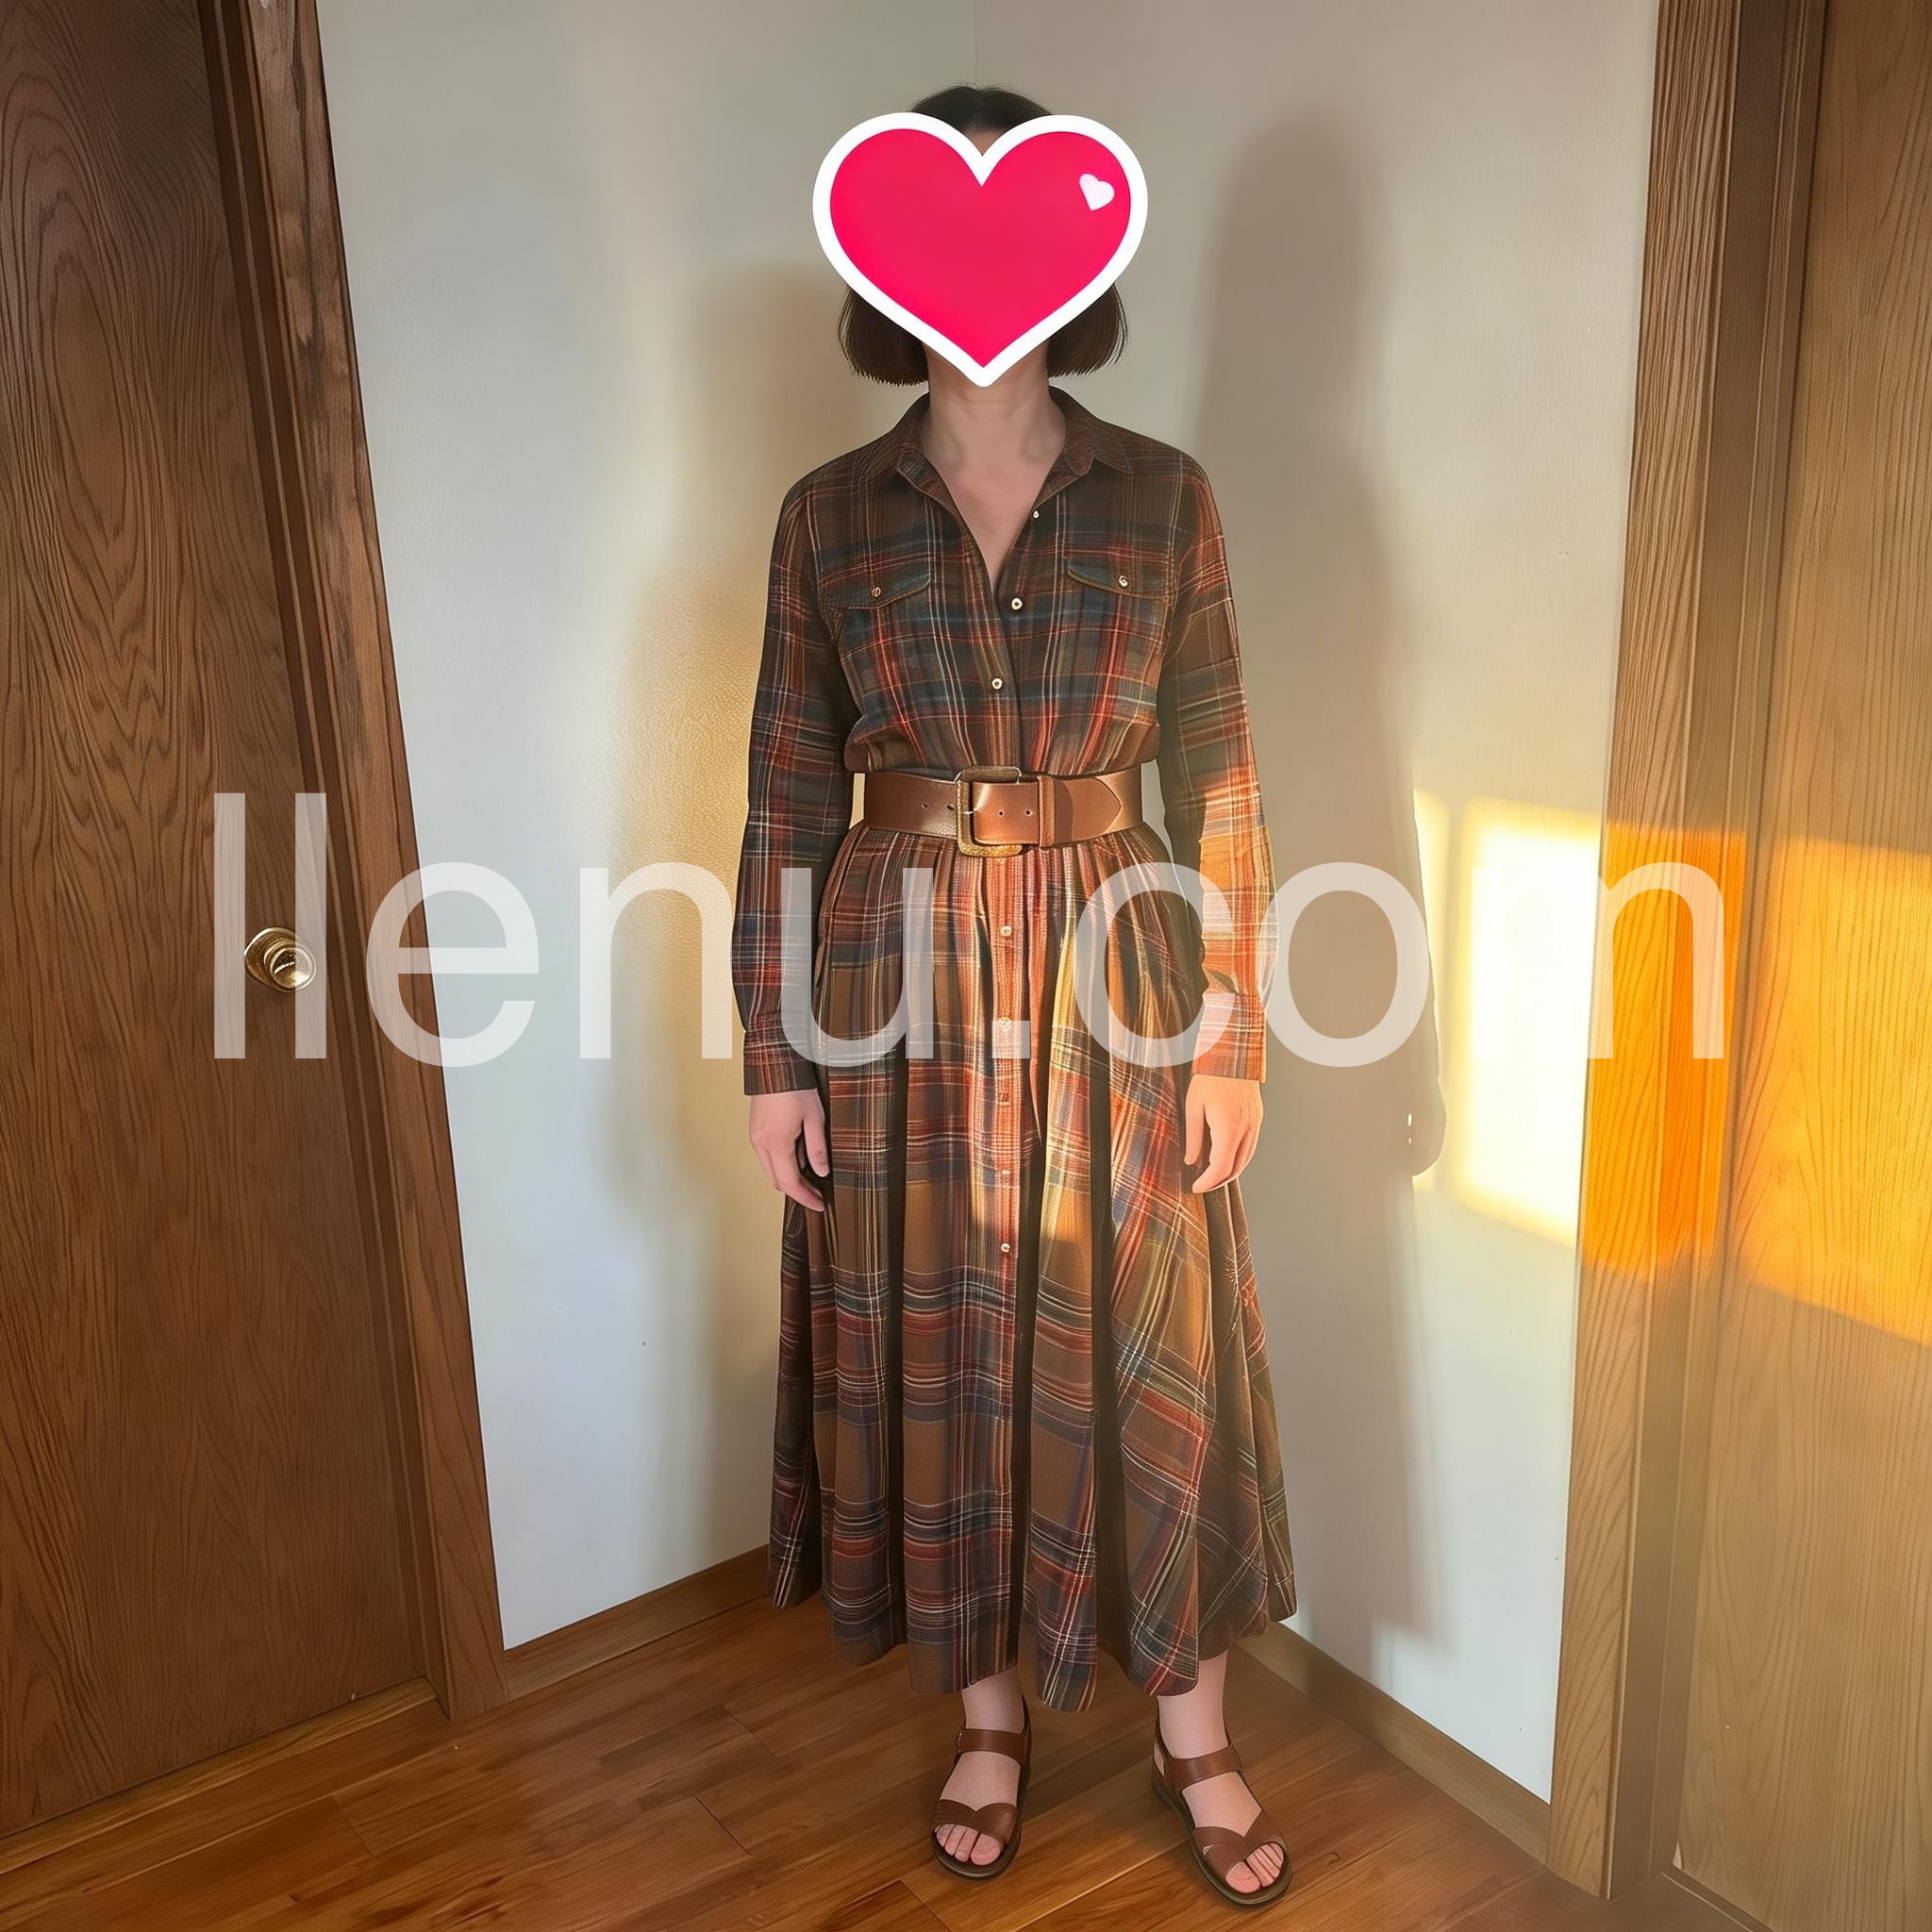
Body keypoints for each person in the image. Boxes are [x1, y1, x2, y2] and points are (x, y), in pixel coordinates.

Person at [731, 84, 1295, 1906]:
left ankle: (1194, 1732)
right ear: (887, 272)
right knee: (945, 1340)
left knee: (1152, 1331)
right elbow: (787, 792)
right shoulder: (829, 518)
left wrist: (1233, 1032)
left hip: (1120, 956)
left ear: (1080, 264)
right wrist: (773, 1054)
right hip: (892, 974)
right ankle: (990, 1720)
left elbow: (1221, 774)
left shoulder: (1165, 498)